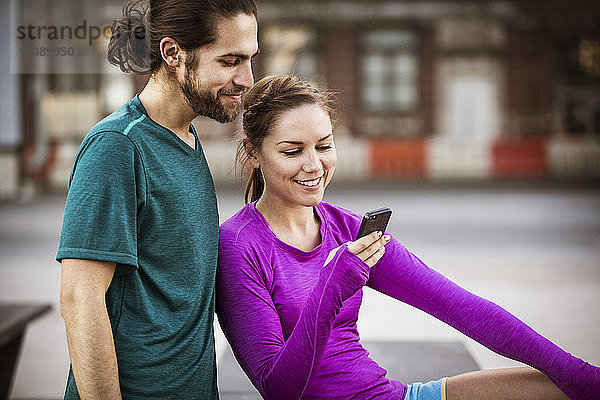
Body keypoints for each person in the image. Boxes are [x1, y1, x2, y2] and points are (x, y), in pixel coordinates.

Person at [215, 74, 600, 400]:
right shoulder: (239, 245)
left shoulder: (348, 230)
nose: (314, 165)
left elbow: (461, 307)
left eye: (324, 145)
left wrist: (581, 374)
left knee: (561, 385)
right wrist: (332, 286)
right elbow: (281, 389)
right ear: (253, 153)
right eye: (292, 151)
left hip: (396, 395)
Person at [56, 0, 258, 398]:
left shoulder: (186, 135)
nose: (247, 78)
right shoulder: (118, 146)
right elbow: (81, 299)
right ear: (173, 54)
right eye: (230, 60)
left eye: (250, 59)